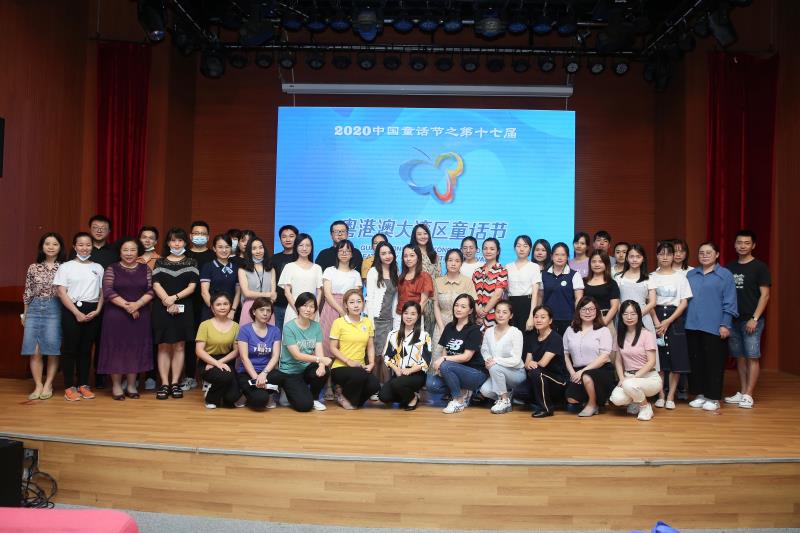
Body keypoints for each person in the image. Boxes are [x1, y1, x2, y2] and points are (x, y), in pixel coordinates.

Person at [98, 237, 154, 400]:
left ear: (138, 252)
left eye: (132, 250)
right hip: (116, 316)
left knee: (134, 349)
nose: (129, 253)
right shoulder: (112, 268)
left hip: (140, 315)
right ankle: (116, 385)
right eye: (125, 250)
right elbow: (108, 291)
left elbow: (151, 290)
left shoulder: (145, 269)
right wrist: (128, 306)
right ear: (120, 252)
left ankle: (131, 385)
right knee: (116, 349)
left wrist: (137, 305)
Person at [685, 241, 738, 412]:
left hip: (715, 326)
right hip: (692, 325)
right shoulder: (691, 274)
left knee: (714, 363)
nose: (705, 255)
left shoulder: (725, 275)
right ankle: (700, 395)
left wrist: (725, 324)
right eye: (701, 253)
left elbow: (730, 301)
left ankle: (713, 397)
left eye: (709, 252)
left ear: (717, 255)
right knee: (696, 362)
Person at [54, 232, 105, 402]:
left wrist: (98, 310)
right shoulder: (66, 267)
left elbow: (102, 292)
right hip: (71, 309)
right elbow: (61, 292)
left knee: (86, 349)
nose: (85, 248)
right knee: (70, 349)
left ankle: (83, 384)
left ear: (92, 247)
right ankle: (69, 387)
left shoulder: (98, 267)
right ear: (74, 246)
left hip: (92, 311)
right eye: (81, 245)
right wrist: (76, 313)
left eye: (88, 245)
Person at [724, 230, 771, 409]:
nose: (742, 246)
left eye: (746, 243)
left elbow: (765, 295)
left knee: (752, 356)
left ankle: (749, 394)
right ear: (735, 245)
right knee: (740, 357)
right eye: (739, 242)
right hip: (733, 320)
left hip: (752, 320)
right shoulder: (729, 267)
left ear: (753, 245)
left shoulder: (760, 267)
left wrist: (755, 318)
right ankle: (743, 391)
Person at [151, 228, 199, 400]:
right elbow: (156, 284)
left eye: (180, 240)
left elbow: (192, 287)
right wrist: (167, 300)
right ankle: (164, 383)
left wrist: (174, 298)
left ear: (185, 242)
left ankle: (175, 383)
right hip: (162, 307)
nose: (176, 244)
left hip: (184, 307)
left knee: (179, 346)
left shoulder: (192, 262)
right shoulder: (160, 262)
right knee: (163, 345)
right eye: (173, 240)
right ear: (168, 243)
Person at [267, 292, 331, 412]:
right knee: (304, 406)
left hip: (306, 369)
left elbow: (319, 350)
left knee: (324, 371)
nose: (308, 309)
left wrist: (321, 365)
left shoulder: (316, 326)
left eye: (311, 306)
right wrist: (320, 360)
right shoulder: (289, 327)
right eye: (304, 305)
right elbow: (297, 355)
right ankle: (288, 388)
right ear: (298, 307)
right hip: (290, 371)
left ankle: (314, 398)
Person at [21, 232, 65, 400]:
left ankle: (49, 384)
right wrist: (25, 314)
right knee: (35, 350)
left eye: (55, 244)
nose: (51, 247)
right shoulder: (33, 267)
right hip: (34, 308)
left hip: (55, 308)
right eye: (47, 244)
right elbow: (28, 292)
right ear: (42, 247)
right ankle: (38, 384)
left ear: (60, 247)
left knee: (52, 349)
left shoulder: (65, 267)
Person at [649, 241, 692, 409]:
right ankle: (660, 395)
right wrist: (657, 322)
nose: (665, 257)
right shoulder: (651, 276)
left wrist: (668, 321)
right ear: (657, 256)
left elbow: (684, 302)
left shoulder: (681, 277)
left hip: (675, 320)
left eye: (668, 254)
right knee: (658, 360)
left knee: (676, 359)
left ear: (674, 256)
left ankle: (671, 396)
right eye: (661, 254)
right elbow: (649, 302)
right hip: (656, 317)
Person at [427, 294, 487, 414]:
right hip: (453, 370)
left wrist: (444, 360)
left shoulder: (474, 329)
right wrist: (441, 365)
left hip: (475, 373)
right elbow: (445, 350)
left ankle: (458, 400)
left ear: (470, 311)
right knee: (432, 384)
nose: (458, 309)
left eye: (463, 307)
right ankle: (464, 391)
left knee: (446, 365)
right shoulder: (449, 327)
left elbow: (466, 357)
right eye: (456, 305)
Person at [563, 296, 615, 417]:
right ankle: (590, 399)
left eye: (591, 309)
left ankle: (592, 404)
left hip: (600, 369)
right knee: (571, 399)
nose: (588, 312)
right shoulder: (570, 330)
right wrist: (572, 373)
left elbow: (604, 357)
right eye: (584, 309)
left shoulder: (603, 330)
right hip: (577, 370)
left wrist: (583, 371)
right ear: (578, 311)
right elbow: (565, 354)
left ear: (596, 311)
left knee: (587, 376)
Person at [610, 300, 662, 421]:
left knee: (629, 384)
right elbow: (618, 361)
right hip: (628, 377)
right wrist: (622, 379)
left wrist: (633, 378)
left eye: (633, 314)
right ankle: (636, 401)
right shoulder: (619, 336)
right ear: (621, 316)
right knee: (616, 399)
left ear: (639, 315)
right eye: (625, 314)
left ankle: (645, 406)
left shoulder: (647, 334)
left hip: (649, 378)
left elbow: (652, 362)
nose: (629, 317)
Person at [329, 289, 379, 409]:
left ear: (363, 303)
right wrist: (348, 361)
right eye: (351, 302)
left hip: (360, 368)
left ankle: (348, 398)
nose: (356, 305)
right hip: (340, 367)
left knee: (375, 385)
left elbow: (370, 346)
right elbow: (332, 348)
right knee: (359, 375)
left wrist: (371, 363)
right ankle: (342, 396)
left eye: (359, 301)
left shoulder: (367, 322)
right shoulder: (338, 322)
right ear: (346, 305)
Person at [379, 301, 431, 410]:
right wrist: (396, 369)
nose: (409, 316)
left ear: (418, 316)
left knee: (397, 384)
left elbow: (426, 361)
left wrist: (410, 370)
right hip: (398, 374)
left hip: (416, 375)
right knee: (383, 396)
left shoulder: (424, 336)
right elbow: (387, 356)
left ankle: (413, 398)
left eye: (413, 314)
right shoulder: (393, 334)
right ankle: (408, 395)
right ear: (402, 314)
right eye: (406, 313)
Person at [519, 305, 567, 418]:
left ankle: (546, 408)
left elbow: (543, 363)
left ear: (550, 320)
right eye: (536, 317)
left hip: (557, 380)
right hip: (538, 376)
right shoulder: (532, 337)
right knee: (519, 392)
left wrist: (532, 364)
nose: (538, 320)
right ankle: (549, 401)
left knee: (536, 372)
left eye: (543, 317)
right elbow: (526, 363)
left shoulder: (555, 338)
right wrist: (530, 364)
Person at [478, 300, 525, 414]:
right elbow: (484, 350)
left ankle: (504, 401)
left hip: (516, 373)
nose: (500, 315)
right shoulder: (489, 331)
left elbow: (516, 360)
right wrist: (488, 360)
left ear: (511, 315)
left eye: (504, 312)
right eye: (498, 312)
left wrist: (495, 361)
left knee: (495, 367)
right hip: (496, 371)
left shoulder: (516, 333)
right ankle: (508, 395)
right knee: (485, 391)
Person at [195, 292, 241, 408]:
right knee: (225, 376)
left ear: (230, 306)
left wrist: (219, 362)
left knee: (232, 398)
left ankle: (218, 390)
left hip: (226, 360)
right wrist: (214, 363)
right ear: (212, 308)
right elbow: (199, 351)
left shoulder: (236, 326)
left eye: (225, 304)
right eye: (218, 304)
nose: (222, 307)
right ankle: (210, 398)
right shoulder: (205, 325)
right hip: (207, 361)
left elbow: (236, 351)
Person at [236, 296, 282, 409]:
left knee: (278, 375)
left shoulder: (275, 330)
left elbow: (275, 356)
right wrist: (256, 377)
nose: (265, 313)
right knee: (259, 401)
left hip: (266, 372)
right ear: (254, 312)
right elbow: (244, 358)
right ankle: (246, 394)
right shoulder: (245, 330)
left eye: (268, 310)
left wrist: (264, 373)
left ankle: (269, 395)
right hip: (248, 372)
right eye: (262, 310)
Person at [184, 220, 214, 392]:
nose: (199, 236)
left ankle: (206, 376)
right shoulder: (184, 255)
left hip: (208, 304)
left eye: (203, 234)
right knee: (189, 340)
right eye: (196, 233)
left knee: (208, 341)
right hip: (186, 303)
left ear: (208, 237)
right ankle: (189, 376)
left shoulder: (213, 256)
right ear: (190, 236)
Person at [321, 240, 363, 360]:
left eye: (347, 251)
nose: (344, 253)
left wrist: (347, 311)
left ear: (352, 254)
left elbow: (357, 296)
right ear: (337, 253)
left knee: (347, 339)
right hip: (331, 307)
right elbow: (327, 294)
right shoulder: (329, 271)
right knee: (327, 338)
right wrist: (340, 310)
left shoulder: (355, 274)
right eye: (341, 250)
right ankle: (326, 367)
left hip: (350, 308)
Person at [432, 249, 477, 353]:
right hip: (441, 324)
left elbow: (471, 306)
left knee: (457, 356)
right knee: (437, 355)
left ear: (461, 263)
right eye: (450, 260)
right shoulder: (437, 282)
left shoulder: (467, 282)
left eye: (457, 261)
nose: (453, 263)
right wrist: (441, 327)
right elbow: (436, 306)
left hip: (462, 327)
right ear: (446, 262)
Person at [279, 233, 323, 324]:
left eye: (307, 245)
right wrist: (298, 310)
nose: (304, 248)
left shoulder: (317, 268)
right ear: (296, 247)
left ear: (311, 247)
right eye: (301, 245)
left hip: (312, 311)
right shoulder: (289, 267)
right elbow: (287, 292)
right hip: (294, 309)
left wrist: (314, 310)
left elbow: (319, 293)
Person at [541, 242, 584, 336]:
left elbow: (579, 299)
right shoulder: (543, 274)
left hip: (568, 319)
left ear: (567, 257)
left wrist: (577, 318)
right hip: (547, 319)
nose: (559, 258)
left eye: (563, 255)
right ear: (551, 256)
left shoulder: (574, 275)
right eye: (556, 254)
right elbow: (540, 297)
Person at [614, 244, 656, 334]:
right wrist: (625, 315)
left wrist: (638, 315)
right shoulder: (618, 278)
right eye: (631, 256)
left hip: (644, 317)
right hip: (623, 318)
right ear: (627, 258)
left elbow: (652, 302)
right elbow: (616, 301)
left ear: (643, 259)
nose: (634, 260)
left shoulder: (649, 278)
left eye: (638, 257)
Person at [199, 234, 240, 321]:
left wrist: (232, 311)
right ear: (214, 248)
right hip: (211, 312)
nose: (224, 250)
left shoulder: (236, 268)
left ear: (231, 248)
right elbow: (204, 292)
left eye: (227, 247)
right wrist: (215, 310)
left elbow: (238, 292)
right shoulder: (208, 266)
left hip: (230, 313)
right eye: (220, 247)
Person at [505, 235, 541, 333]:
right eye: (518, 246)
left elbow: (535, 294)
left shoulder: (534, 267)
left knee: (526, 336)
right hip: (511, 304)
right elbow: (505, 291)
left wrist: (531, 316)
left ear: (530, 249)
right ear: (514, 248)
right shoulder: (508, 267)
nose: (521, 249)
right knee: (511, 335)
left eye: (525, 246)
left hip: (527, 304)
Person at [238, 236, 277, 327]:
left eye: (261, 247)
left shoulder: (271, 269)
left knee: (269, 334)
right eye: (254, 248)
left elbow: (273, 295)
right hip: (250, 308)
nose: (258, 251)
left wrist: (269, 301)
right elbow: (247, 293)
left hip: (267, 308)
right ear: (249, 251)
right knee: (247, 334)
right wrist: (267, 295)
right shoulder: (242, 269)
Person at [583, 250, 621, 341]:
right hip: (586, 321)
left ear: (606, 264)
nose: (597, 264)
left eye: (600, 261)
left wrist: (603, 323)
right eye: (594, 261)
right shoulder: (583, 281)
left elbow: (614, 306)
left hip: (606, 321)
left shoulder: (612, 283)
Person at [472, 238, 508, 329]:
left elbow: (497, 295)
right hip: (476, 315)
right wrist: (477, 310)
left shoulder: (502, 270)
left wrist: (484, 312)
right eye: (485, 248)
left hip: (494, 315)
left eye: (492, 249)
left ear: (498, 251)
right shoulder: (477, 271)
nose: (488, 251)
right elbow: (471, 292)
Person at [396, 244, 434, 330]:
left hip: (415, 317)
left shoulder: (424, 276)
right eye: (405, 256)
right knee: (397, 339)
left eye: (412, 255)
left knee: (415, 339)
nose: (408, 259)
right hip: (399, 317)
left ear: (418, 257)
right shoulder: (401, 277)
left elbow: (423, 301)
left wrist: (412, 317)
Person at [270, 224, 298, 329]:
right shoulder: (274, 258)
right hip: (278, 305)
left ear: (297, 238)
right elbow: (271, 280)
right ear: (280, 239)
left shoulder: (302, 257)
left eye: (291, 236)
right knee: (277, 334)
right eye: (284, 236)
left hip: (296, 304)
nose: (288, 239)